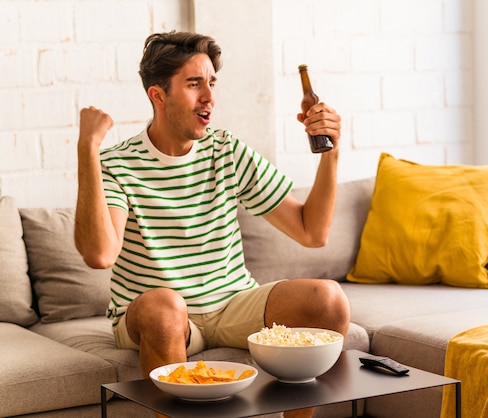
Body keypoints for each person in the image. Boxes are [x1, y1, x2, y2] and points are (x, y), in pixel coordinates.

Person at [74, 31, 350, 418]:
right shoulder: (119, 164)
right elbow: (99, 253)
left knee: (328, 299)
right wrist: (87, 150)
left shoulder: (225, 150)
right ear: (158, 95)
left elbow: (312, 231)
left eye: (211, 83)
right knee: (166, 307)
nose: (209, 97)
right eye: (193, 84)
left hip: (233, 303)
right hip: (160, 313)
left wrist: (331, 155)